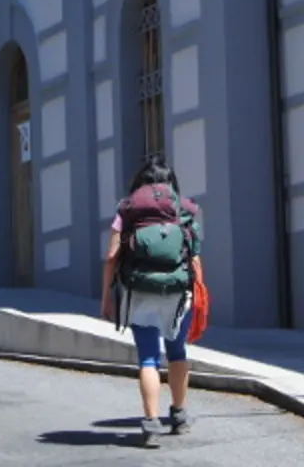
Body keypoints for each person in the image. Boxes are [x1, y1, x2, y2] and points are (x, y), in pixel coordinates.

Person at [100, 155, 203, 447]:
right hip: (177, 293)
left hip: (139, 291)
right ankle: (179, 415)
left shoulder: (127, 209)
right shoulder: (183, 209)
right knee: (177, 351)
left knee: (148, 356)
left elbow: (111, 257)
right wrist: (199, 294)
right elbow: (194, 257)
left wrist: (106, 298)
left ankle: (151, 421)